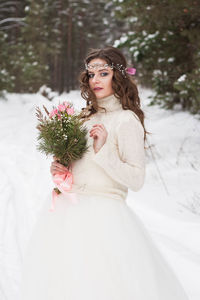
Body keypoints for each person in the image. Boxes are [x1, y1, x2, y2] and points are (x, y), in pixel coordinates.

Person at [20, 46, 189, 300]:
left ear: (118, 76)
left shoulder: (126, 120)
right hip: (67, 214)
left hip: (105, 219)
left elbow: (137, 179)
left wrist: (104, 151)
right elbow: (77, 166)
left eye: (103, 73)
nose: (95, 80)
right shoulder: (81, 118)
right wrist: (60, 169)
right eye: (91, 74)